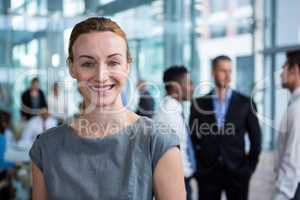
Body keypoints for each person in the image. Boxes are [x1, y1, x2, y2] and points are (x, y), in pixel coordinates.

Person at [30, 17, 185, 200]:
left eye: (113, 63)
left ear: (127, 64)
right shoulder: (47, 147)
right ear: (72, 67)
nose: (101, 76)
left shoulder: (158, 143)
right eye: (88, 64)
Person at [189, 55, 262, 200]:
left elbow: (256, 140)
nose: (228, 76)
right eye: (223, 71)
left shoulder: (246, 103)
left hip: (237, 173)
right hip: (208, 174)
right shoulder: (199, 103)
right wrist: (198, 170)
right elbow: (193, 139)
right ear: (213, 72)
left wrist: (248, 169)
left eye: (230, 71)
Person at [153, 66, 196, 200]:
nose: (193, 87)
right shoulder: (167, 116)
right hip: (176, 183)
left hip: (183, 180)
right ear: (175, 87)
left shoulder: (175, 111)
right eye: (189, 83)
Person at [273, 50, 300, 200]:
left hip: (292, 190)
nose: (280, 74)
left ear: (295, 70)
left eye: (283, 68)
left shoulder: (297, 109)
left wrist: (280, 195)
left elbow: (293, 159)